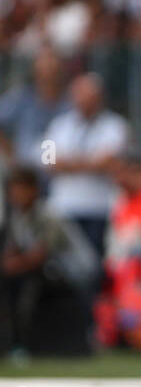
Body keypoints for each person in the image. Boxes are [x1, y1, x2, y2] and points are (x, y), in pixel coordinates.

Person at [0, 165, 97, 355]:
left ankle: (26, 341)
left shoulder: (48, 215)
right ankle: (12, 341)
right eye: (13, 189)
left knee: (23, 284)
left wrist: (10, 266)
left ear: (34, 190)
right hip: (49, 271)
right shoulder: (17, 217)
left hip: (75, 271)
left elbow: (41, 254)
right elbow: (13, 250)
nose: (16, 194)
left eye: (21, 189)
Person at [42, 73, 129, 259]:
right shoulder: (59, 125)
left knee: (94, 259)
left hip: (99, 206)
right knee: (63, 261)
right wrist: (91, 162)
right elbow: (48, 162)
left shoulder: (116, 125)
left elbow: (109, 162)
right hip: (64, 206)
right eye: (81, 95)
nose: (85, 101)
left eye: (91, 96)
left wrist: (67, 163)